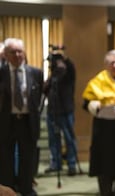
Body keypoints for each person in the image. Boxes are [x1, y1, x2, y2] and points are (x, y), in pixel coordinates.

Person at [82, 49, 115, 196]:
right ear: (106, 65)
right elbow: (86, 103)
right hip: (104, 129)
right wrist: (96, 105)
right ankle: (105, 192)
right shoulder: (98, 80)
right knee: (104, 164)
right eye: (112, 62)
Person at [0, 38, 43, 196]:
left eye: (20, 51)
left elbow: (36, 99)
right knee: (5, 157)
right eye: (13, 52)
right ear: (5, 54)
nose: (17, 55)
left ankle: (26, 189)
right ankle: (8, 189)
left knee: (28, 157)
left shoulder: (36, 73)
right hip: (6, 121)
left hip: (27, 121)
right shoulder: (1, 73)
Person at [43, 52, 78, 176]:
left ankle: (72, 164)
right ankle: (56, 163)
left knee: (69, 139)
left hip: (66, 111)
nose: (57, 64)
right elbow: (45, 90)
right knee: (54, 140)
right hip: (52, 111)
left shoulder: (68, 75)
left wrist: (65, 58)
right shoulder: (53, 77)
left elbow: (72, 68)